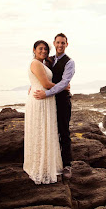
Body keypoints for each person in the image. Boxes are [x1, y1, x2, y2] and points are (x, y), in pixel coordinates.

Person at [33, 33, 75, 179]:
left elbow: (65, 83)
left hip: (62, 101)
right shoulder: (48, 60)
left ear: (66, 45)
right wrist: (33, 86)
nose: (60, 45)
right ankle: (50, 162)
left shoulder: (70, 63)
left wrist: (48, 92)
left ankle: (67, 165)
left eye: (63, 43)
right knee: (49, 131)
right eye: (58, 43)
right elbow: (40, 75)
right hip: (48, 103)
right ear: (54, 43)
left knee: (64, 132)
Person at [23, 40, 63, 184]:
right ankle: (39, 168)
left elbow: (40, 81)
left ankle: (45, 165)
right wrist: (63, 86)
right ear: (34, 49)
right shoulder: (35, 63)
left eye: (46, 49)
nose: (44, 51)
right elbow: (45, 84)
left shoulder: (41, 64)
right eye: (40, 49)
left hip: (45, 99)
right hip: (40, 100)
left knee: (44, 131)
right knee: (40, 131)